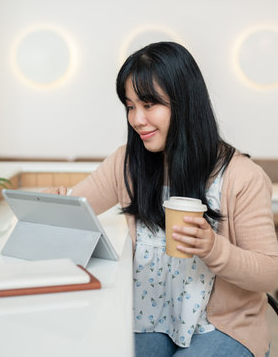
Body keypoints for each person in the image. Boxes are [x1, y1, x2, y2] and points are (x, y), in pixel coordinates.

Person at [46, 42, 278, 357]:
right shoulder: (127, 163)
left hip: (222, 326)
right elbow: (78, 206)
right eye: (130, 106)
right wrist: (59, 203)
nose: (137, 119)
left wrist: (213, 249)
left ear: (185, 103)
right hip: (148, 317)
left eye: (149, 104)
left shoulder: (241, 176)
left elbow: (270, 272)